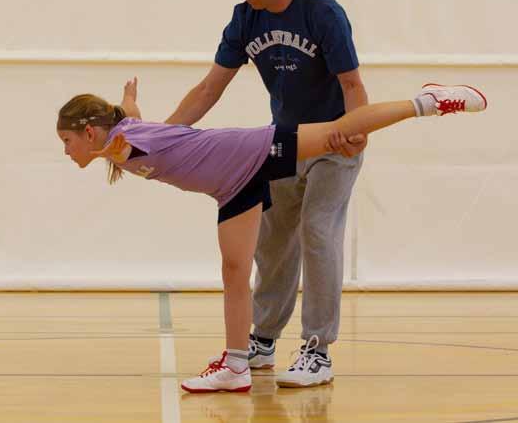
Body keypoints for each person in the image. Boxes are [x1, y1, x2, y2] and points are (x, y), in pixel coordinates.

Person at [57, 77, 487, 393]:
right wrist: (129, 103)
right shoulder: (125, 133)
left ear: (90, 132)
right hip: (231, 186)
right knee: (234, 269)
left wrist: (114, 126)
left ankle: (427, 102)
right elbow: (127, 123)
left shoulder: (119, 141)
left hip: (251, 150)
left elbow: (118, 136)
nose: (66, 150)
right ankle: (238, 364)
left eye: (67, 140)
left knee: (340, 133)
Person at [164, 0, 369, 387]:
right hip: (281, 145)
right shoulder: (245, 20)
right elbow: (209, 87)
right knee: (273, 242)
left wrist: (356, 132)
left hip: (335, 142)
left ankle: (318, 350)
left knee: (318, 230)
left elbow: (353, 85)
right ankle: (263, 339)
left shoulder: (322, 12)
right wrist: (162, 136)